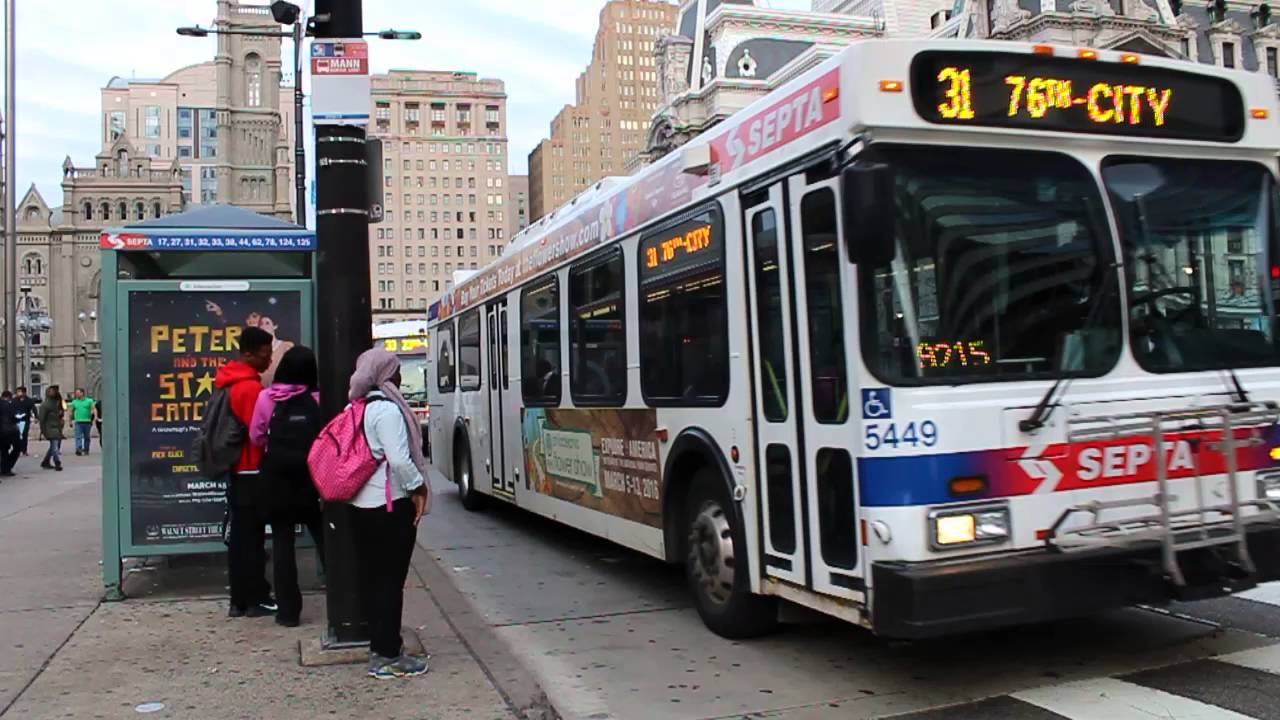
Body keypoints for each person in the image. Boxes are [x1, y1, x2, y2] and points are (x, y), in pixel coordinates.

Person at [348, 347, 432, 679]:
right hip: (389, 506)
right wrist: (418, 488)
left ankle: (380, 646)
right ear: (384, 374)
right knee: (390, 582)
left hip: (360, 506)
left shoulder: (354, 408)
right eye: (395, 370)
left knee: (373, 581)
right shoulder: (387, 411)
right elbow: (398, 460)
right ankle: (387, 656)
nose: (398, 376)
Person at [249, 346, 326, 628]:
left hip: (278, 481)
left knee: (282, 545)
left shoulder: (266, 398)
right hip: (312, 480)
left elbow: (256, 436)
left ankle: (288, 613)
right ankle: (344, 602)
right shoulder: (318, 398)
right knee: (325, 539)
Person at [217, 326, 276, 619]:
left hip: (236, 470)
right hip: (252, 469)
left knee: (240, 537)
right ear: (249, 354)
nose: (269, 360)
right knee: (252, 538)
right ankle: (256, 598)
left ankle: (238, 600)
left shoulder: (227, 382)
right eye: (265, 354)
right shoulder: (250, 389)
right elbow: (260, 434)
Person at [37, 386, 64, 471]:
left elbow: (60, 414)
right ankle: (57, 463)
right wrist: (43, 431)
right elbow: (42, 419)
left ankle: (46, 461)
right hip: (50, 428)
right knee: (55, 447)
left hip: (56, 428)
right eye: (51, 391)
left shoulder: (57, 403)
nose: (53, 392)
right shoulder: (45, 405)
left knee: (54, 446)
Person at [69, 389, 95, 456]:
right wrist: (70, 421)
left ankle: (86, 449)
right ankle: (79, 449)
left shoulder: (89, 401)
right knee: (78, 436)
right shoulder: (74, 402)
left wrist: (93, 417)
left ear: (82, 393)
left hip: (87, 421)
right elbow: (71, 411)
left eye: (78, 393)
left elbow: (93, 409)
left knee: (87, 437)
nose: (76, 394)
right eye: (76, 393)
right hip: (78, 421)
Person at [12, 386, 36, 456]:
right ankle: (17, 449)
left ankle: (24, 450)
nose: (18, 393)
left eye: (19, 392)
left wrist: (36, 417)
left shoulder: (29, 400)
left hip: (25, 420)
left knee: (24, 435)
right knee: (16, 436)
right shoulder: (14, 400)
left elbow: (33, 408)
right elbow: (10, 408)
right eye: (17, 392)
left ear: (24, 393)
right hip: (16, 420)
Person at [0, 391, 19, 477]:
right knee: (17, 448)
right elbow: (13, 417)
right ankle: (6, 468)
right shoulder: (7, 404)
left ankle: (4, 468)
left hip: (3, 431)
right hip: (9, 431)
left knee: (4, 450)